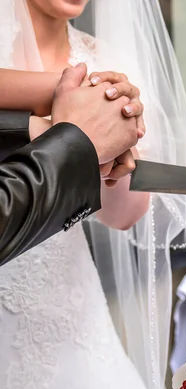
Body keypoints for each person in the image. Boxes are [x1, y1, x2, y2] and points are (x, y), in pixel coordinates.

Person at [0, 0, 186, 389]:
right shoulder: (87, 79)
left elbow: (122, 215)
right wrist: (76, 112)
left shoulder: (105, 62)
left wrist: (114, 157)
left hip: (71, 308)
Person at [0, 63, 144, 265]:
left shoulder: (105, 60)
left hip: (68, 269)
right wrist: (71, 137)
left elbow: (124, 217)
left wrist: (101, 106)